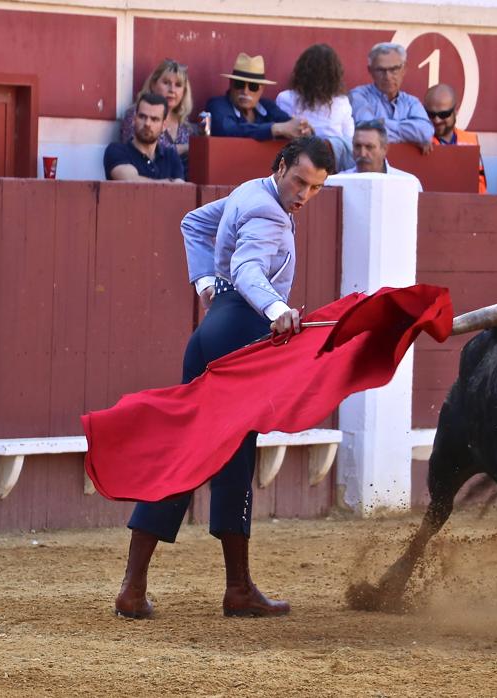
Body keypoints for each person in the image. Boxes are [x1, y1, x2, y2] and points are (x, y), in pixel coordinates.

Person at [112, 136, 336, 620]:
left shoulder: (249, 191)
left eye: (316, 187)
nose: (304, 194)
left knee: (195, 452)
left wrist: (206, 283)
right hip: (239, 335)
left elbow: (193, 222)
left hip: (214, 331)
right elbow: (249, 268)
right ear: (281, 166)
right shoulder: (268, 213)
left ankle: (150, 587)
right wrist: (275, 309)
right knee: (224, 457)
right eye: (300, 181)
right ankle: (232, 588)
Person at [276, 43, 355, 171]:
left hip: (328, 167)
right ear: (335, 76)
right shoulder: (286, 98)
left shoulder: (342, 102)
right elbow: (349, 138)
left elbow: (349, 141)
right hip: (304, 164)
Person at [206, 53, 311, 141]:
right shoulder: (218, 105)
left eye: (253, 86)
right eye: (239, 84)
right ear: (231, 84)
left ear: (261, 89)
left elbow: (288, 124)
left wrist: (303, 128)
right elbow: (228, 130)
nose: (245, 91)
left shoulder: (268, 106)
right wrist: (274, 129)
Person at [349, 43, 432, 149]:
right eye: (381, 70)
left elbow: (426, 132)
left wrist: (382, 123)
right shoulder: (359, 96)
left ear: (404, 69)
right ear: (370, 70)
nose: (387, 77)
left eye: (394, 69)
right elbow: (369, 133)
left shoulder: (411, 102)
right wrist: (411, 138)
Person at [122, 59, 197, 176]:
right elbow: (138, 150)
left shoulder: (185, 123)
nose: (172, 90)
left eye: (178, 85)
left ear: (184, 91)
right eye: (166, 83)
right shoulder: (137, 114)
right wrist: (185, 148)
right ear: (153, 84)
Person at [104, 94, 185, 182]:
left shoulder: (171, 156)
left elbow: (180, 186)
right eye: (142, 117)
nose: (147, 124)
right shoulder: (117, 150)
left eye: (154, 119)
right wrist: (169, 183)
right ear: (134, 119)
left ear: (164, 125)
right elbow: (131, 181)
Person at [424, 83, 486, 193]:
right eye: (431, 114)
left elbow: (480, 184)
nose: (437, 120)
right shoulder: (419, 142)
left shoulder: (471, 140)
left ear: (455, 110)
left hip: (465, 202)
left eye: (444, 114)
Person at [340, 120, 423, 192]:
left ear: (384, 149)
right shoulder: (340, 182)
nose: (362, 154)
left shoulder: (409, 184)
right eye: (357, 146)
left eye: (369, 147)